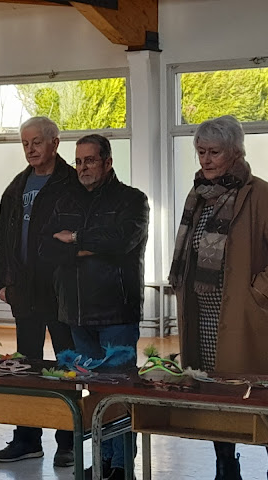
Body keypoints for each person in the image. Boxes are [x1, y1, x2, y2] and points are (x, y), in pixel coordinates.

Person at [41, 134, 149, 480]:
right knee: (93, 391)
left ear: (108, 162)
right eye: (78, 161)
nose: (82, 167)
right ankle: (101, 462)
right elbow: (48, 246)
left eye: (90, 160)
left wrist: (75, 239)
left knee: (118, 390)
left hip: (117, 309)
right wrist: (90, 245)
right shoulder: (65, 201)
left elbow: (121, 242)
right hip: (76, 311)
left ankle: (121, 466)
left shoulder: (132, 200)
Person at [169, 115, 268, 480]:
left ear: (235, 152)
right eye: (201, 152)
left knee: (258, 398)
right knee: (214, 396)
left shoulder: (260, 194)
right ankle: (225, 466)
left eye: (214, 152)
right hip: (203, 317)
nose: (206, 160)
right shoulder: (198, 195)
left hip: (244, 318)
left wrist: (259, 291)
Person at [0, 116, 76, 467]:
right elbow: (2, 236)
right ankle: (27, 438)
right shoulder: (17, 186)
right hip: (24, 290)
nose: (30, 149)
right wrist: (2, 280)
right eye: (25, 143)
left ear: (54, 143)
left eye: (37, 142)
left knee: (66, 366)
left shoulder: (72, 182)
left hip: (60, 290)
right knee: (25, 366)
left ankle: (69, 441)